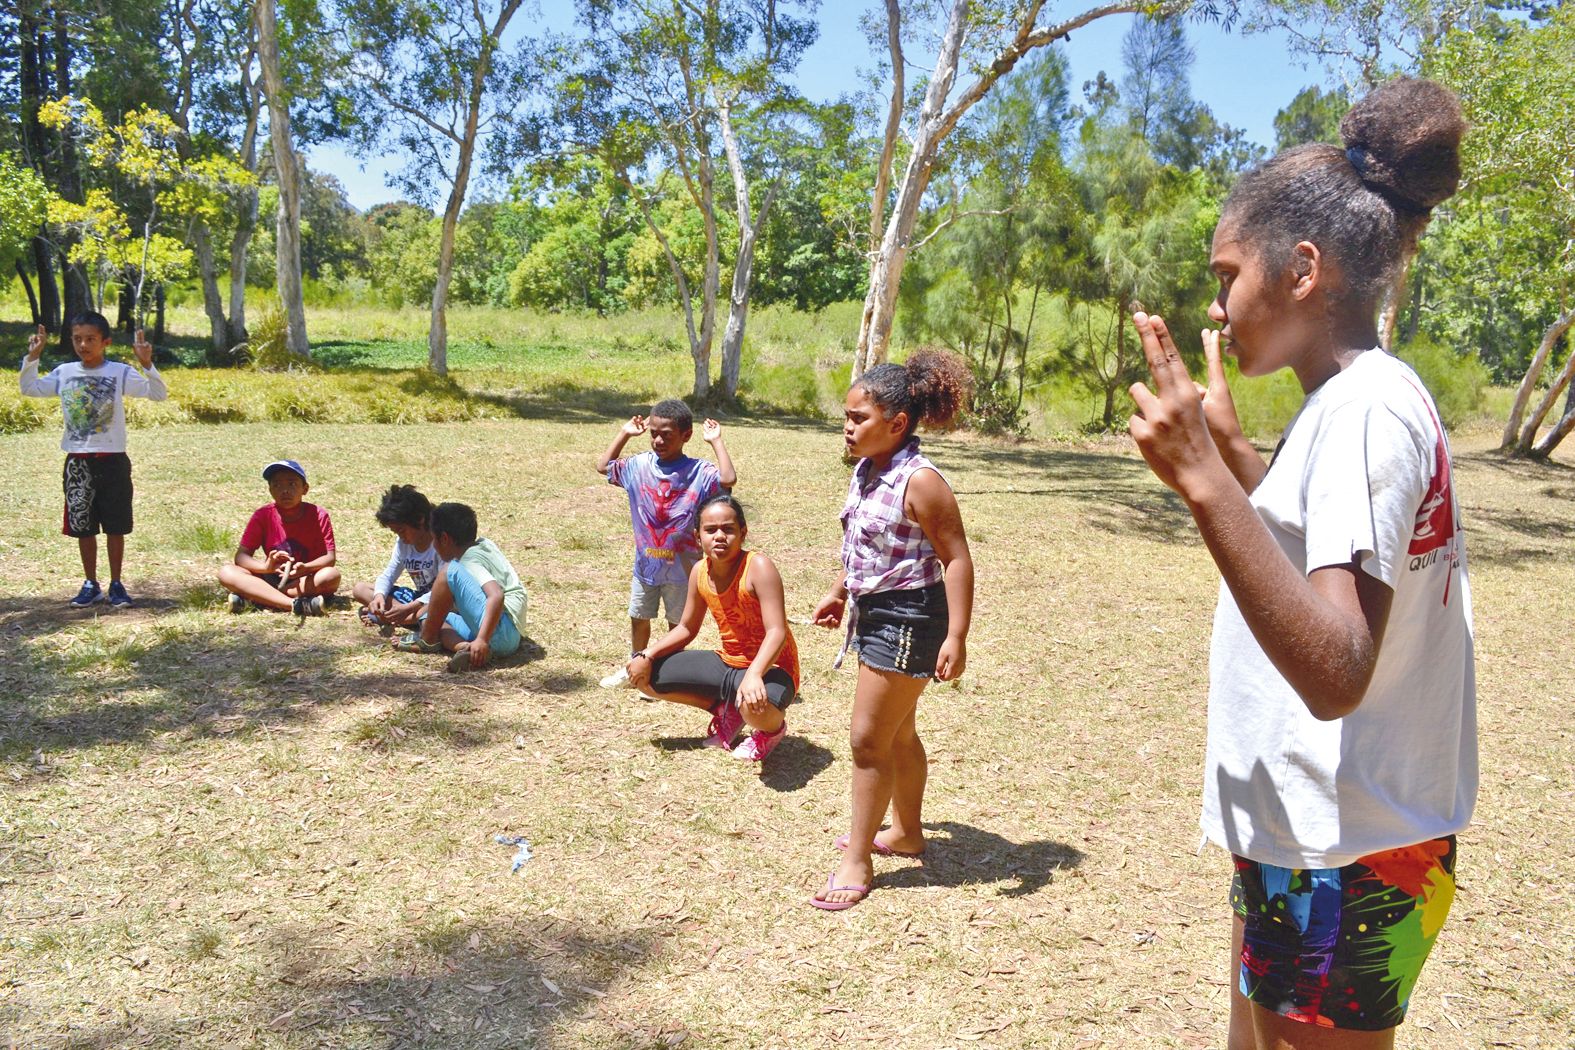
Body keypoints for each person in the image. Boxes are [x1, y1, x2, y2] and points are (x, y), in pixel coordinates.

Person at [1125, 77, 1475, 1049]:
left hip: (1347, 850)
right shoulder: (1356, 405)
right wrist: (1235, 464)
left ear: (1303, 269)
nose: (1219, 301)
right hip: (1324, 833)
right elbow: (1333, 544)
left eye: (1227, 272)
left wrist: (1202, 481)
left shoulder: (1365, 412)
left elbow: (1336, 667)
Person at [809, 351, 975, 911]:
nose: (848, 427)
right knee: (896, 734)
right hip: (874, 611)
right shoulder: (867, 469)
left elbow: (956, 559)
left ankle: (857, 860)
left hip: (911, 617)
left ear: (897, 424)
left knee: (867, 740)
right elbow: (866, 543)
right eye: (847, 416)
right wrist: (840, 590)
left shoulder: (921, 482)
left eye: (859, 418)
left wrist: (956, 636)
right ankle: (905, 832)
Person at [626, 495, 800, 763]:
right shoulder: (699, 571)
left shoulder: (759, 567)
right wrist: (646, 655)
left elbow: (776, 630)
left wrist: (755, 674)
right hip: (728, 662)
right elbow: (686, 627)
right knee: (646, 678)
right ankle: (726, 712)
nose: (719, 536)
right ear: (698, 536)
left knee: (753, 707)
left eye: (728, 529)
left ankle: (771, 731)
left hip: (773, 668)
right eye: (710, 530)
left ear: (743, 532)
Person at [19, 315, 168, 608]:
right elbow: (30, 388)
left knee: (116, 525)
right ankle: (91, 583)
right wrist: (32, 357)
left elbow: (158, 394)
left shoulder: (119, 372)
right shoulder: (64, 372)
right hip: (78, 461)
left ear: (105, 342)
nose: (83, 345)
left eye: (90, 339)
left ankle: (116, 583)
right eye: (77, 339)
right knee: (83, 526)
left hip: (113, 460)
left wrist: (147, 364)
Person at [596, 399, 736, 680]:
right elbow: (603, 466)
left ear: (686, 436)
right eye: (654, 434)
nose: (658, 440)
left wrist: (716, 441)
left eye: (666, 435)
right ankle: (636, 668)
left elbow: (728, 478)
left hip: (683, 570)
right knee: (639, 617)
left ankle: (670, 674)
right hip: (646, 566)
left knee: (678, 625)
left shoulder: (699, 472)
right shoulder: (638, 466)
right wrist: (625, 433)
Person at [393, 502, 527, 672]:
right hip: (511, 636)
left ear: (444, 539)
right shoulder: (485, 545)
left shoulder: (468, 560)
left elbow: (496, 595)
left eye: (434, 539)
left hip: (499, 632)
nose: (433, 545)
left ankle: (427, 641)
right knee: (430, 617)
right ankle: (466, 649)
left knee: (448, 571)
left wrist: (483, 639)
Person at [219, 460, 341, 616]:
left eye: (292, 484)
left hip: (304, 579)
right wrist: (267, 567)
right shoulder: (263, 515)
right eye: (277, 485)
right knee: (226, 572)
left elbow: (329, 558)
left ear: (305, 489)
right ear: (270, 490)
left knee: (330, 576)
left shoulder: (319, 515)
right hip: (271, 576)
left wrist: (305, 568)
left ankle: (258, 597)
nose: (285, 491)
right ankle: (296, 605)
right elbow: (241, 556)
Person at [352, 484, 442, 636]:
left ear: (420, 519)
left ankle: (399, 618)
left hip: (438, 601)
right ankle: (401, 617)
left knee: (433, 609)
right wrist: (378, 597)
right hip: (418, 600)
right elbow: (389, 574)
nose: (400, 537)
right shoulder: (403, 544)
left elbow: (444, 591)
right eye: (396, 532)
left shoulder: (440, 544)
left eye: (401, 531)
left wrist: (409, 607)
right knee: (360, 589)